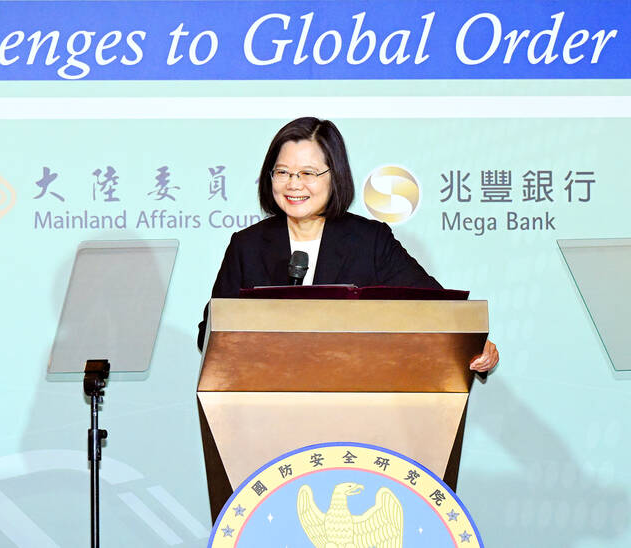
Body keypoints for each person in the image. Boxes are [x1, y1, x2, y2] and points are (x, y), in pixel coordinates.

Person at [197, 117, 498, 373]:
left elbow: (437, 309)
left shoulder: (370, 241)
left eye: (308, 173)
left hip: (357, 397)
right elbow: (209, 332)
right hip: (265, 398)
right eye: (283, 172)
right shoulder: (247, 245)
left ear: (335, 175)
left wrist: (474, 341)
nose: (293, 184)